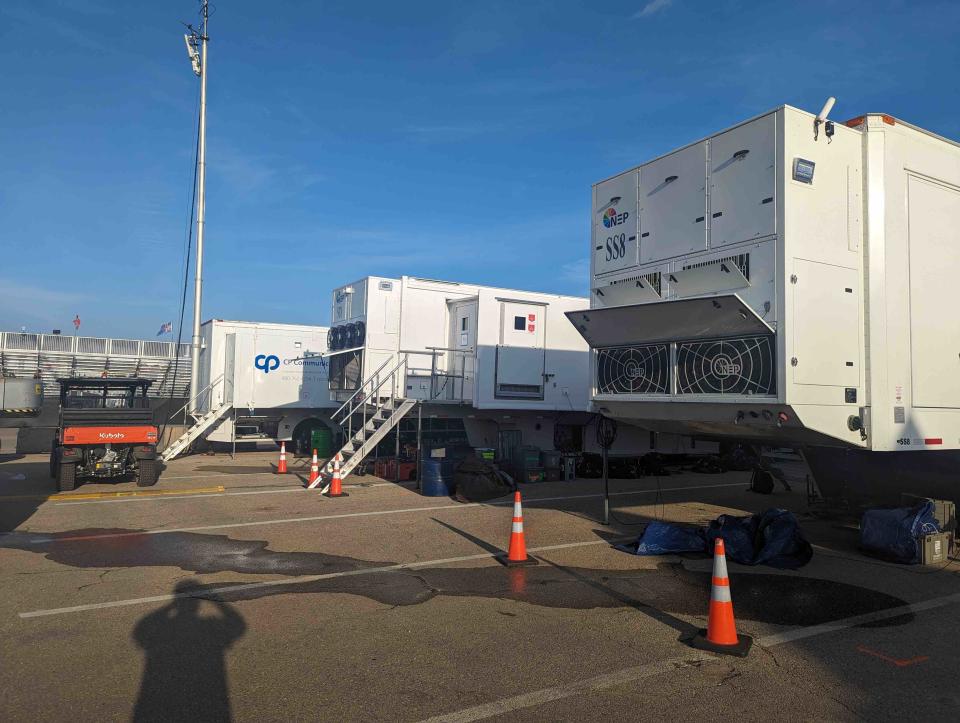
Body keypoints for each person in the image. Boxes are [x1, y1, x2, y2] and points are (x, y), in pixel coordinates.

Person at [132, 580, 246, 722]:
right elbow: (237, 624)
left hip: (159, 689)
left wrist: (171, 606)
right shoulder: (209, 626)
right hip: (208, 687)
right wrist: (216, 601)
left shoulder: (164, 628)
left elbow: (142, 630)